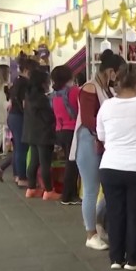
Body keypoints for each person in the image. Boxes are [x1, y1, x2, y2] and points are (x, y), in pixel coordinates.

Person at [97, 64, 136, 270]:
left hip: (110, 165)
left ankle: (116, 258)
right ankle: (133, 258)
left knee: (115, 212)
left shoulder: (107, 106)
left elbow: (101, 135)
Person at [71, 50, 123, 251]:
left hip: (101, 143)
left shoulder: (104, 88)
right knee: (91, 189)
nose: (118, 78)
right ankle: (90, 234)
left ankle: (99, 225)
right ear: (111, 71)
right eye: (117, 73)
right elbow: (88, 120)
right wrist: (111, 132)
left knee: (107, 188)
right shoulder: (90, 88)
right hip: (88, 143)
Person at [23, 70, 60, 201]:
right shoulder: (41, 98)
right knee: (45, 163)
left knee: (33, 161)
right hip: (44, 134)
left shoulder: (28, 95)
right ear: (42, 83)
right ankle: (49, 191)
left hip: (31, 133)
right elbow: (48, 117)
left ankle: (31, 188)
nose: (48, 83)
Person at [50, 65, 82, 205]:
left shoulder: (54, 95)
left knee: (70, 162)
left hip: (60, 130)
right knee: (72, 164)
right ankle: (68, 195)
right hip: (72, 130)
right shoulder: (74, 91)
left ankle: (69, 194)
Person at [9, 56, 37, 188]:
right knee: (22, 148)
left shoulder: (16, 81)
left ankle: (17, 175)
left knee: (17, 148)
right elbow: (26, 104)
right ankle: (22, 177)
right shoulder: (25, 83)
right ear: (26, 70)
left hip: (13, 116)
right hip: (20, 117)